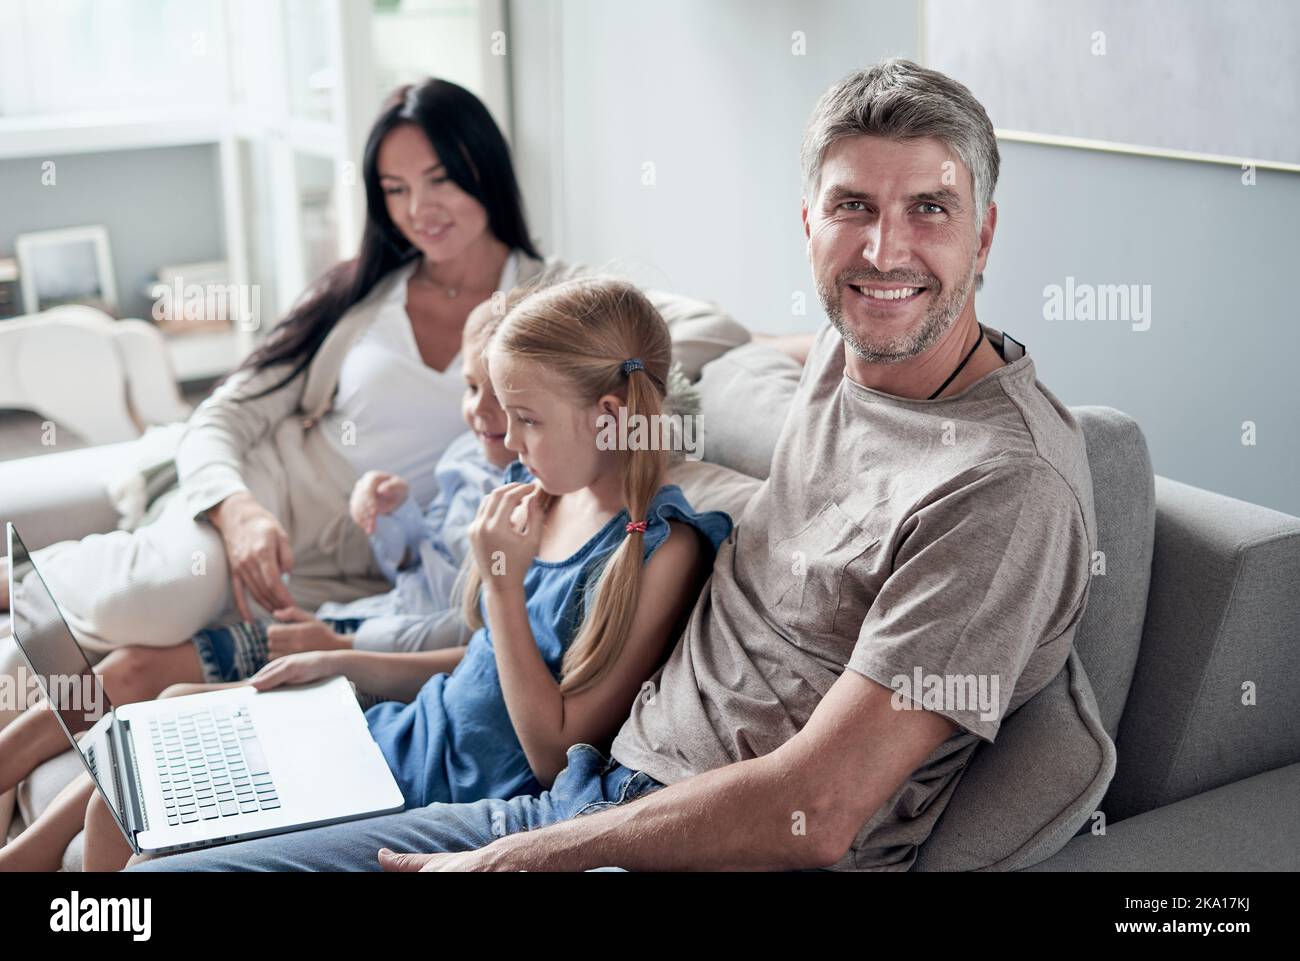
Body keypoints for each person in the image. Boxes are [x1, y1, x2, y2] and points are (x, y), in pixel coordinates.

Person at [126, 57, 1097, 874]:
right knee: (158, 843)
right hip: (592, 792)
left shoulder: (999, 490)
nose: (886, 249)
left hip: (671, 843)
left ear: (986, 232)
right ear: (808, 225)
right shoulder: (850, 353)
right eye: (853, 207)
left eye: (930, 208)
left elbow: (824, 804)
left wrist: (518, 857)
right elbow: (692, 362)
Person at [10, 277, 733, 871]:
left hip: (438, 791)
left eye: (526, 419)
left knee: (142, 800)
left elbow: (552, 752)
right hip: (398, 736)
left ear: (609, 417)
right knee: (134, 763)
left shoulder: (662, 551)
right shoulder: (545, 494)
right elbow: (480, 669)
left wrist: (504, 588)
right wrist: (342, 661)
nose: (507, 441)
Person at [0, 77, 573, 657]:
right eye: (394, 189)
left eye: (440, 180)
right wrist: (237, 510)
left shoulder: (554, 304)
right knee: (166, 597)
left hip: (375, 568)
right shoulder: (359, 293)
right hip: (268, 496)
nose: (418, 211)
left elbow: (634, 359)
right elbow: (222, 415)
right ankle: (32, 578)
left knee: (144, 647)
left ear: (487, 168)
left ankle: (51, 608)